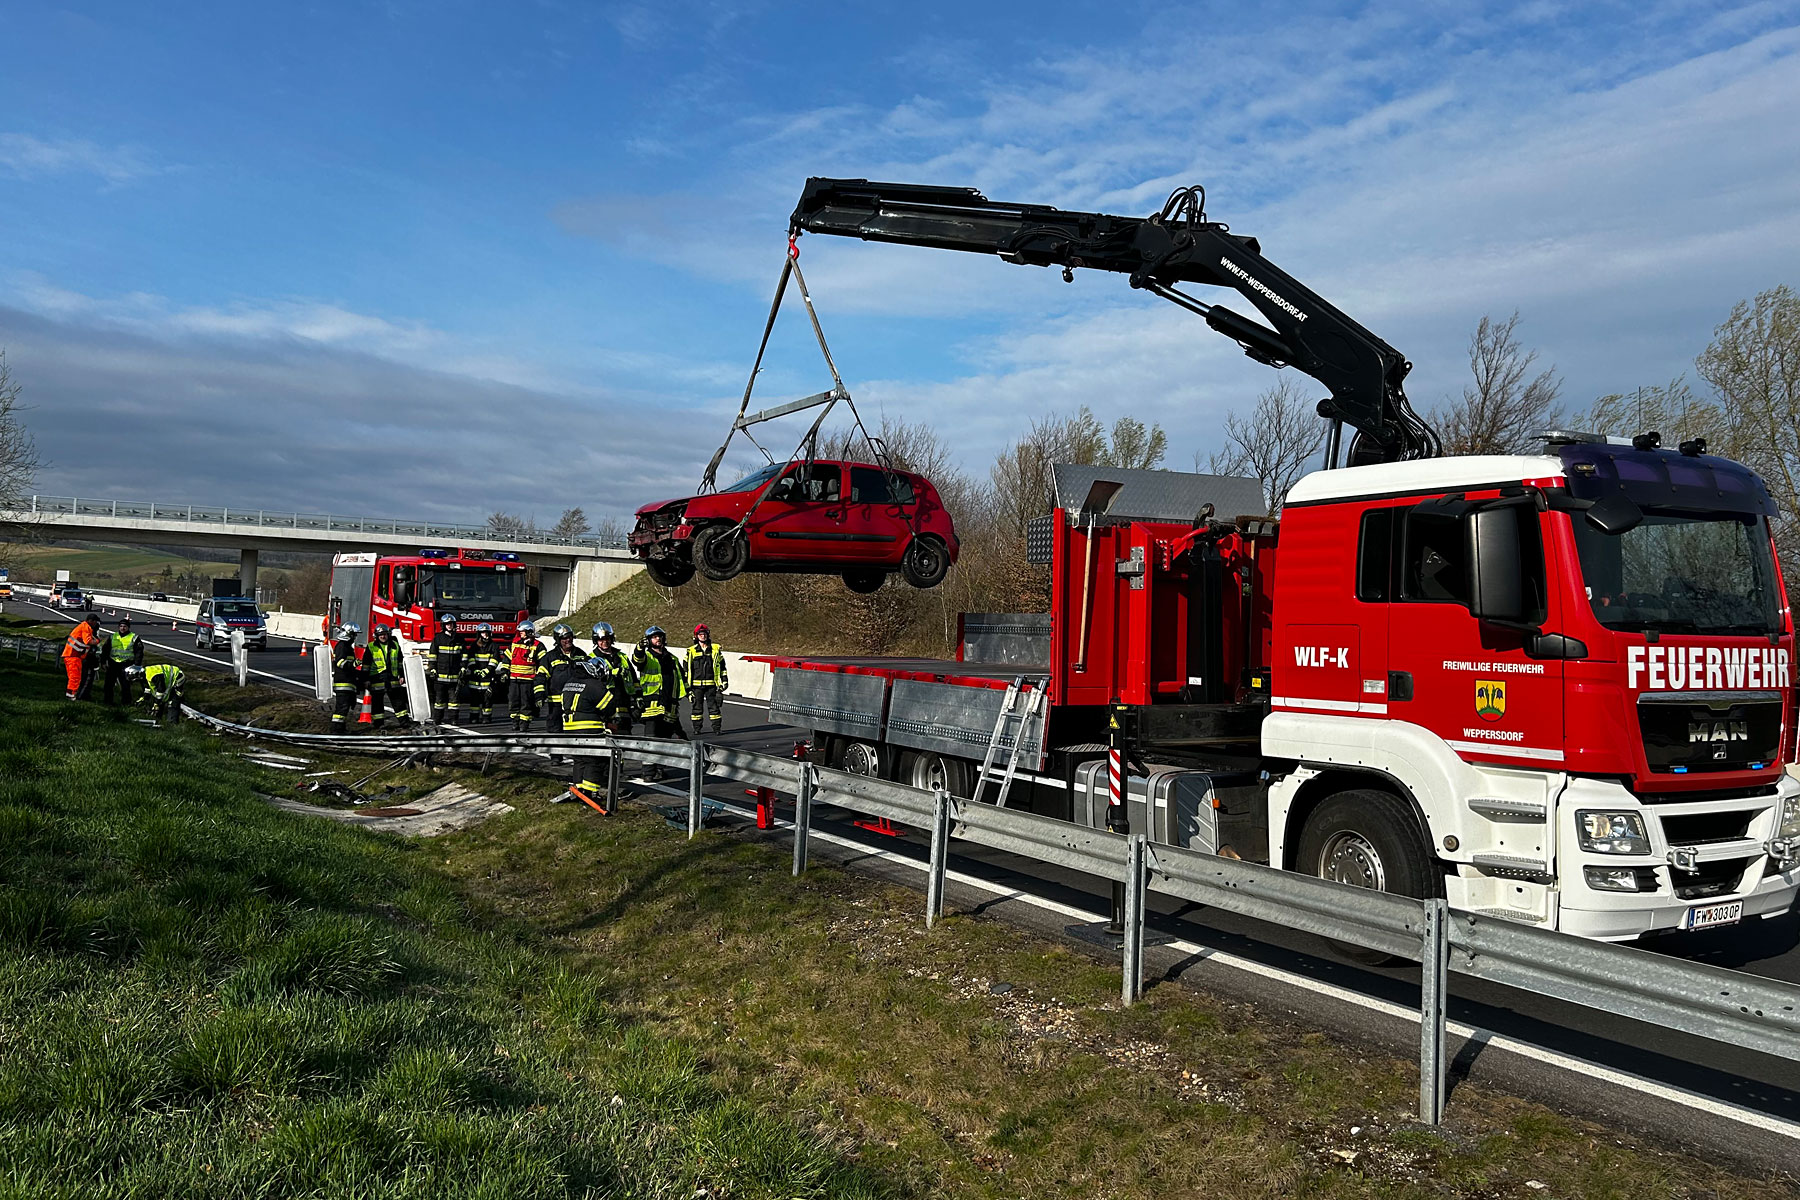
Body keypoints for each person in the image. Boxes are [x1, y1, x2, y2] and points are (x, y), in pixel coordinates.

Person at [557, 657, 626, 811]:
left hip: (569, 729)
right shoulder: (594, 685)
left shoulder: (570, 682)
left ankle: (578, 791)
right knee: (594, 760)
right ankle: (590, 794)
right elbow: (609, 707)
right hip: (588, 729)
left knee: (579, 760)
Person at [631, 625, 687, 778]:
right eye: (654, 637)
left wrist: (688, 693)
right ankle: (648, 772)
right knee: (651, 740)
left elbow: (681, 678)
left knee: (665, 741)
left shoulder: (672, 658)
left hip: (670, 705)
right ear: (649, 640)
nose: (658, 639)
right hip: (652, 705)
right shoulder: (647, 656)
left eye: (660, 636)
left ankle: (660, 769)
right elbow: (637, 660)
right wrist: (639, 648)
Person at [589, 623, 637, 732]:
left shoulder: (622, 656)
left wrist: (637, 698)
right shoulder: (591, 658)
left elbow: (634, 680)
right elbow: (592, 683)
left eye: (607, 639)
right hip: (605, 706)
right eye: (601, 639)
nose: (604, 642)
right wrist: (613, 672)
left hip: (624, 705)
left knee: (626, 736)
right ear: (596, 641)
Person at [541, 623, 589, 734]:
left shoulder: (581, 654)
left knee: (575, 731)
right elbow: (541, 676)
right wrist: (539, 694)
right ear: (558, 640)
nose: (568, 640)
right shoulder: (550, 657)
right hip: (556, 702)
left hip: (576, 701)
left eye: (570, 637)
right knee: (555, 730)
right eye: (564, 638)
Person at [684, 623, 728, 737]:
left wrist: (724, 681)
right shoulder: (691, 651)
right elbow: (686, 670)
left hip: (711, 685)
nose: (703, 636)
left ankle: (717, 728)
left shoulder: (715, 650)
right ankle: (697, 728)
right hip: (696, 686)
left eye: (704, 634)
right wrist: (687, 688)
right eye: (700, 634)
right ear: (696, 636)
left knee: (714, 708)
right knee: (696, 708)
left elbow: (722, 667)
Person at [362, 624, 409, 730]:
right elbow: (366, 665)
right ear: (376, 636)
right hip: (377, 678)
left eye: (385, 634)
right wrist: (366, 679)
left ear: (388, 635)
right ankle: (379, 724)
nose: (383, 637)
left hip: (392, 677)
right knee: (377, 703)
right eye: (380, 635)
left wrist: (402, 675)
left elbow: (400, 662)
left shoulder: (395, 645)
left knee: (398, 702)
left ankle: (404, 722)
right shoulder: (371, 646)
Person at [506, 619, 548, 732]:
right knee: (513, 702)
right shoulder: (515, 643)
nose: (520, 633)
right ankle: (515, 722)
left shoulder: (538, 646)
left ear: (529, 632)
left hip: (528, 680)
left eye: (522, 631)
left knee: (526, 703)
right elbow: (507, 658)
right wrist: (505, 671)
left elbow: (543, 663)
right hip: (514, 679)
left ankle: (524, 723)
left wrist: (540, 678)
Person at [426, 614, 466, 724]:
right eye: (447, 624)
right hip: (440, 676)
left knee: (454, 700)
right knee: (439, 700)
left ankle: (454, 719)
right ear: (443, 625)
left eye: (451, 624)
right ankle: (438, 718)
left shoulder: (459, 639)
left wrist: (463, 667)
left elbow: (464, 655)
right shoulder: (438, 639)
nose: (449, 626)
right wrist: (432, 669)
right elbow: (433, 655)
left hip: (454, 676)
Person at [462, 623, 505, 723]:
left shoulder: (494, 646)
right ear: (479, 634)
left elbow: (495, 660)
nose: (485, 635)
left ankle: (486, 717)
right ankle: (474, 717)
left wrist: (487, 670)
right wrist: (474, 670)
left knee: (487, 699)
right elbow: (470, 659)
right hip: (475, 677)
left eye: (486, 633)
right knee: (474, 700)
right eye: (483, 633)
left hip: (488, 677)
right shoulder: (474, 646)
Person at [329, 624, 366, 731]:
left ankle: (340, 728)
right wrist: (354, 664)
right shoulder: (342, 646)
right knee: (342, 708)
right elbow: (340, 663)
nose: (355, 637)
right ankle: (337, 729)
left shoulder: (347, 646)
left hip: (347, 682)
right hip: (343, 683)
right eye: (354, 635)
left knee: (345, 708)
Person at [103, 615, 145, 705]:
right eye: (121, 626)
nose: (122, 628)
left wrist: (136, 665)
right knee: (108, 684)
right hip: (113, 663)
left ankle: (126, 703)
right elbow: (106, 649)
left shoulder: (134, 637)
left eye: (125, 626)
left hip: (126, 664)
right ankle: (107, 702)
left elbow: (139, 652)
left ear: (128, 627)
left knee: (125, 685)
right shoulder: (113, 636)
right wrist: (103, 661)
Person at [62, 611, 102, 701]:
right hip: (74, 655)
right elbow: (88, 641)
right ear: (91, 621)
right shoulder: (86, 627)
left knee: (73, 677)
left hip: (72, 655)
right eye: (95, 622)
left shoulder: (83, 626)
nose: (96, 624)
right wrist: (97, 641)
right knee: (75, 677)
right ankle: (71, 696)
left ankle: (70, 694)